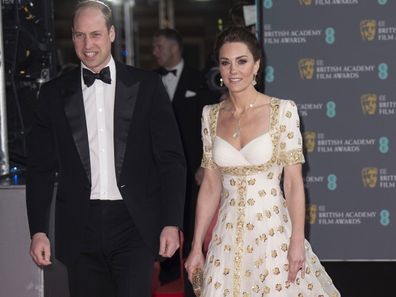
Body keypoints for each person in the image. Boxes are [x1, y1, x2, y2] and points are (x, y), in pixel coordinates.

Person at [26, 1, 186, 297]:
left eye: (96, 34)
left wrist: (171, 222)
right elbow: (40, 168)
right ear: (72, 37)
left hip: (133, 225)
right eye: (79, 35)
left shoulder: (147, 86)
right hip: (80, 228)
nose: (87, 44)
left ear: (112, 34)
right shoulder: (52, 95)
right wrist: (38, 231)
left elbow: (171, 160)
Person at [185, 26, 340, 296]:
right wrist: (197, 246)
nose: (233, 70)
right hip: (227, 237)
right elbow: (210, 186)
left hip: (273, 234)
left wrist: (296, 241)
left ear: (256, 65)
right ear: (219, 69)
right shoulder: (210, 115)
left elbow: (293, 184)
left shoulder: (283, 111)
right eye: (225, 63)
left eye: (241, 61)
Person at [152, 28, 207, 294]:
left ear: (175, 48)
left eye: (159, 46)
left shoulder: (199, 81)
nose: (154, 52)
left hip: (196, 173)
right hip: (161, 173)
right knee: (166, 223)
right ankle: (168, 275)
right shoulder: (148, 81)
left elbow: (209, 128)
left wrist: (204, 165)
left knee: (194, 226)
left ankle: (194, 281)